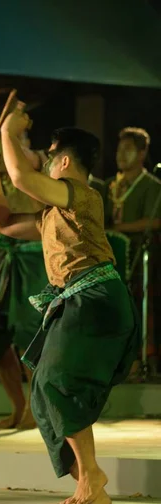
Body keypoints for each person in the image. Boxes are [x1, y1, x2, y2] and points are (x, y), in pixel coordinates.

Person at [0, 105, 139, 504]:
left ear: (64, 160)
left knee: (55, 382)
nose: (45, 164)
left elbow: (22, 177)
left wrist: (9, 134)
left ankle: (91, 476)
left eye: (49, 157)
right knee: (43, 391)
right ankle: (88, 481)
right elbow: (0, 221)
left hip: (95, 298)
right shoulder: (55, 210)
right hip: (82, 300)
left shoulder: (82, 194)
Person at [0, 105, 48, 429]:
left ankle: (35, 409)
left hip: (35, 258)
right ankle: (18, 408)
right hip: (8, 257)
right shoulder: (0, 171)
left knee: (30, 333)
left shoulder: (40, 161)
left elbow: (19, 156)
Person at [103, 127, 161, 375]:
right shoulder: (109, 185)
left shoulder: (150, 185)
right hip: (110, 259)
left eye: (128, 149)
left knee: (139, 308)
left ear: (141, 153)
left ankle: (141, 360)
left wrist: (118, 227)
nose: (121, 155)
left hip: (139, 258)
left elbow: (155, 220)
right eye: (119, 149)